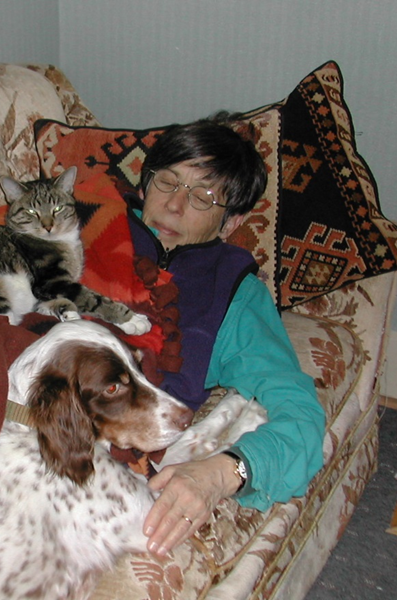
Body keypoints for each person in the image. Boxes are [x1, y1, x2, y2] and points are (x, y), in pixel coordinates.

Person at [122, 112, 326, 557]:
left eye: (203, 197)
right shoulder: (90, 220)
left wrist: (222, 473)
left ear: (231, 222)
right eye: (167, 182)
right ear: (144, 183)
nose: (174, 206)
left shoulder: (234, 294)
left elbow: (300, 414)